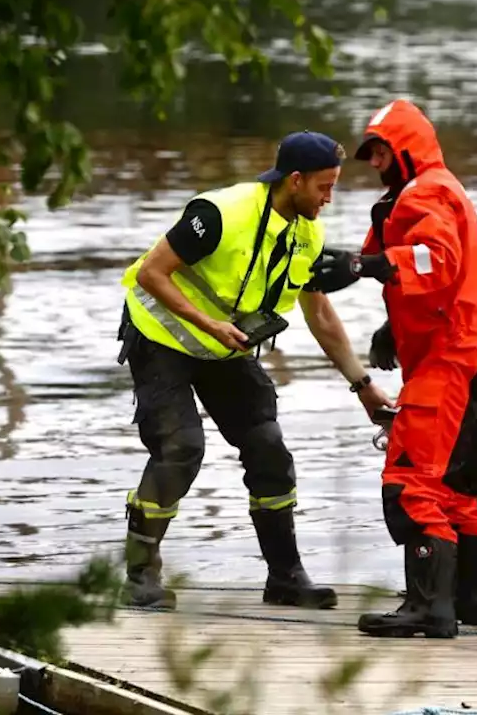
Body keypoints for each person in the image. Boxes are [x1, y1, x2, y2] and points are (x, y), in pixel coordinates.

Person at [115, 130, 393, 611]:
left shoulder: (306, 233)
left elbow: (320, 315)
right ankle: (139, 576)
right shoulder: (221, 214)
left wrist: (363, 385)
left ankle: (286, 577)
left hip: (223, 347)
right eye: (324, 187)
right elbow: (150, 273)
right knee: (180, 448)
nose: (330, 198)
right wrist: (210, 324)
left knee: (268, 447)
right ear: (296, 180)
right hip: (159, 337)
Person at [308, 99, 477, 639]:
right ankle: (472, 604)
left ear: (406, 150)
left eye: (380, 152)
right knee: (457, 495)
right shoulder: (424, 194)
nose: (374, 164)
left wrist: (367, 264)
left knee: (410, 484)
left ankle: (428, 609)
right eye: (369, 154)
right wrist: (392, 327)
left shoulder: (428, 192)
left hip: (450, 366)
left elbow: (435, 261)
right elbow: (442, 274)